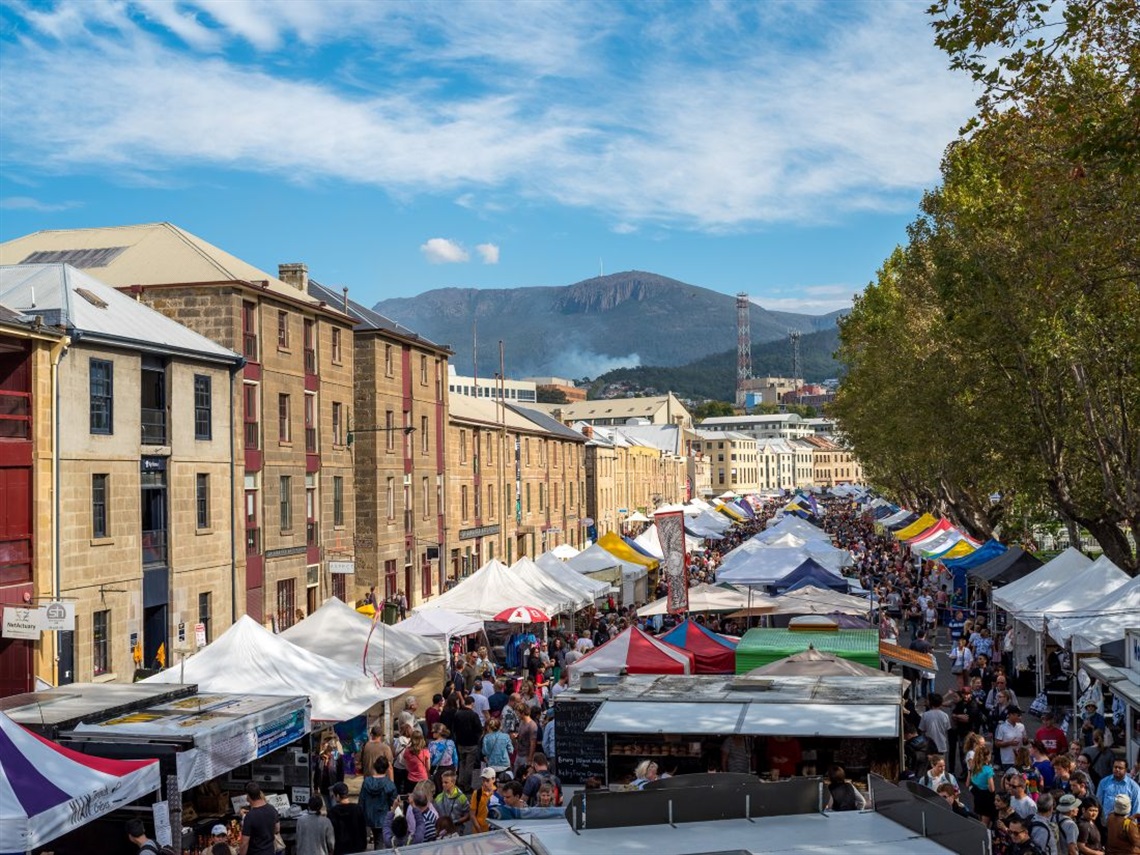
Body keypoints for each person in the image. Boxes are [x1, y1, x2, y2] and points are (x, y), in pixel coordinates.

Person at [359, 757, 398, 851]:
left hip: (368, 816)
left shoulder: (366, 782)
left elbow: (361, 800)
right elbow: (394, 802)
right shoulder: (389, 784)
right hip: (382, 817)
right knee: (380, 843)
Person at [239, 782, 280, 855]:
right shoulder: (272, 809)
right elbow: (277, 829)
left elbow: (244, 843)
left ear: (248, 796)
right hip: (270, 851)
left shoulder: (250, 816)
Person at [452, 695, 483, 791]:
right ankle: (467, 785)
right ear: (472, 704)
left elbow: (454, 728)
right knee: (469, 765)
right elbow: (479, 729)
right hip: (471, 743)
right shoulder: (473, 715)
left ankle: (461, 781)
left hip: (460, 742)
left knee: (462, 763)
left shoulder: (457, 714)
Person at [327, 782, 366, 855]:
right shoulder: (357, 809)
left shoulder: (332, 812)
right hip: (357, 848)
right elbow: (362, 829)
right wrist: (363, 845)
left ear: (337, 796)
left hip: (339, 848)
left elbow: (330, 833)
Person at [969, 742, 997, 825]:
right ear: (987, 757)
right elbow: (992, 789)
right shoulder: (988, 770)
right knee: (985, 822)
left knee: (980, 817)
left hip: (977, 795)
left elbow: (972, 779)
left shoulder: (974, 766)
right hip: (987, 797)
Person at [469, 768, 501, 834]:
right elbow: (472, 815)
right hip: (478, 832)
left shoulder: (498, 794)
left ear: (493, 779)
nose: (484, 783)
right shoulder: (477, 793)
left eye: (487, 780)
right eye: (483, 780)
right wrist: (479, 831)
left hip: (493, 832)